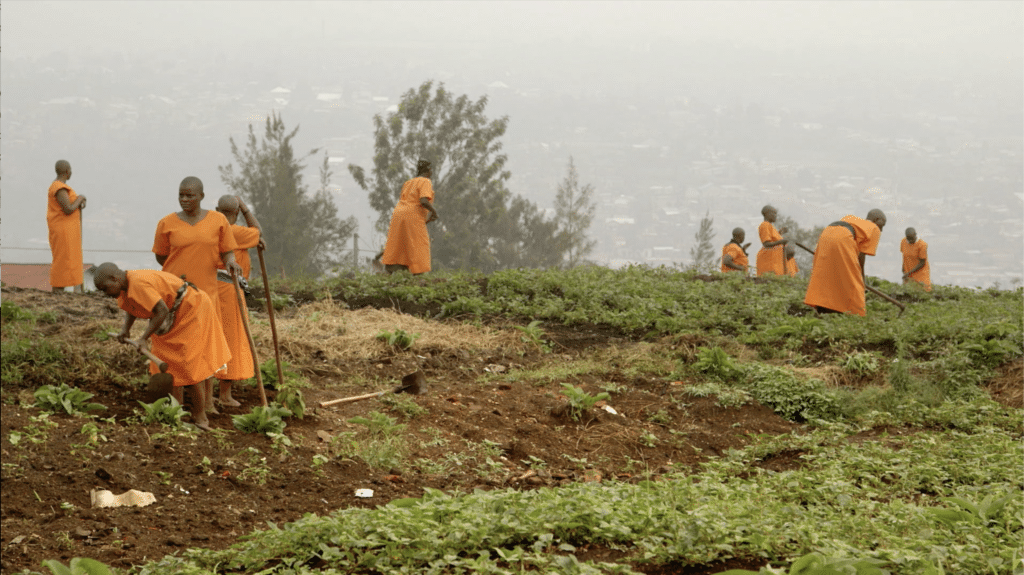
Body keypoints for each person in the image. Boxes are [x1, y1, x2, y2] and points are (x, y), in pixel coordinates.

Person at [93, 263, 230, 431]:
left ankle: (200, 417)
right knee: (166, 362)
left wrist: (143, 338)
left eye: (105, 288)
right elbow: (133, 306)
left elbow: (161, 311)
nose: (105, 294)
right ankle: (176, 410)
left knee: (188, 365)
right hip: (173, 312)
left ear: (115, 279)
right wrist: (125, 330)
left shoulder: (138, 283)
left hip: (191, 308)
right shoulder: (126, 286)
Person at [153, 176, 242, 411]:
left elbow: (227, 251)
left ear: (201, 196)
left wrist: (231, 262)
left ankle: (208, 403)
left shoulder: (218, 221)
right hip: (176, 294)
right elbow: (162, 256)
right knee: (176, 347)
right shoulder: (166, 223)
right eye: (181, 194)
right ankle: (177, 403)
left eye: (190, 195)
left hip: (206, 294)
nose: (185, 199)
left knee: (205, 348)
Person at [213, 194, 265, 407]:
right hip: (228, 290)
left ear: (217, 209)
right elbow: (258, 231)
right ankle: (224, 395)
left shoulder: (209, 228)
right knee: (230, 339)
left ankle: (207, 395)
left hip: (209, 288)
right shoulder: (233, 231)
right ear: (235, 213)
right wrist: (246, 209)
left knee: (212, 337)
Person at [803, 209, 887, 316]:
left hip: (826, 234)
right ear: (876, 219)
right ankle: (854, 313)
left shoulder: (854, 220)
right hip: (843, 239)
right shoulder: (874, 228)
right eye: (882, 224)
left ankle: (823, 307)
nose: (882, 229)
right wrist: (862, 281)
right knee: (853, 280)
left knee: (826, 272)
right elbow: (860, 257)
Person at [380, 160, 439, 275]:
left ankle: (393, 269)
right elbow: (423, 201)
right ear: (428, 171)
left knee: (399, 242)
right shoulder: (425, 181)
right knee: (419, 244)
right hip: (412, 215)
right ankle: (417, 273)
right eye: (431, 170)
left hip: (398, 213)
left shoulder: (408, 183)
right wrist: (434, 212)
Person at [46, 160, 88, 293]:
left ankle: (75, 289)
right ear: (67, 172)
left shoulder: (60, 186)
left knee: (72, 259)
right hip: (63, 230)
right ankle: (58, 289)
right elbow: (68, 209)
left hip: (69, 231)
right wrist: (80, 198)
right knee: (63, 261)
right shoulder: (58, 187)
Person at [756, 205, 788, 277]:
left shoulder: (770, 226)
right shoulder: (765, 225)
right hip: (769, 261)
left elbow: (773, 239)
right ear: (767, 213)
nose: (775, 216)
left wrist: (780, 233)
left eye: (776, 213)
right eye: (774, 213)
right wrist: (781, 242)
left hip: (775, 261)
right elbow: (766, 244)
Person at [900, 227, 931, 292]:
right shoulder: (903, 242)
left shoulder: (922, 245)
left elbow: (922, 262)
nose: (911, 241)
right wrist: (903, 269)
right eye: (909, 239)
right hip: (908, 274)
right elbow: (904, 256)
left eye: (912, 238)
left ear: (915, 235)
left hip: (921, 274)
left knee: (923, 292)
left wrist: (909, 273)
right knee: (908, 293)